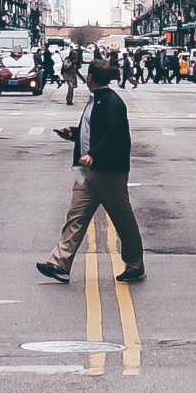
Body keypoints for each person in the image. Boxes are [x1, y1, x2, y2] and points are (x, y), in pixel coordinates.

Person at [37, 60, 145, 284]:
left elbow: (111, 134)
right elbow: (92, 131)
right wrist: (73, 134)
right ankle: (60, 263)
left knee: (123, 220)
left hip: (108, 171)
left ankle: (135, 266)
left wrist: (94, 153)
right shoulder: (98, 100)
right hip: (86, 170)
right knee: (75, 217)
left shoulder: (111, 102)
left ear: (89, 78)